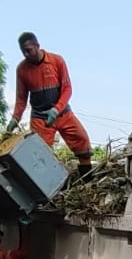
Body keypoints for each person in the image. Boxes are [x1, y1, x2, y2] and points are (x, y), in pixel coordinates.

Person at [5, 31, 94, 174]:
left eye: (28, 50)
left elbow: (67, 89)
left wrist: (56, 109)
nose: (26, 55)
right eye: (23, 52)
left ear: (37, 46)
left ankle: (87, 178)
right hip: (40, 118)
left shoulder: (56, 61)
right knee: (40, 154)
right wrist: (15, 119)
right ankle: (50, 187)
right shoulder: (22, 69)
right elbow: (21, 98)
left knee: (82, 140)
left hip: (62, 113)